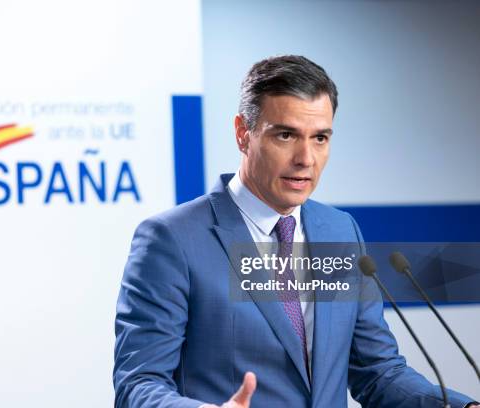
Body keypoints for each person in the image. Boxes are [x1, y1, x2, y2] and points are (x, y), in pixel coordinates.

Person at [113, 55, 477, 407]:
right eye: (286, 135)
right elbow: (138, 383)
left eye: (320, 138)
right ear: (243, 134)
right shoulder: (173, 240)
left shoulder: (339, 231)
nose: (306, 158)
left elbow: (376, 371)